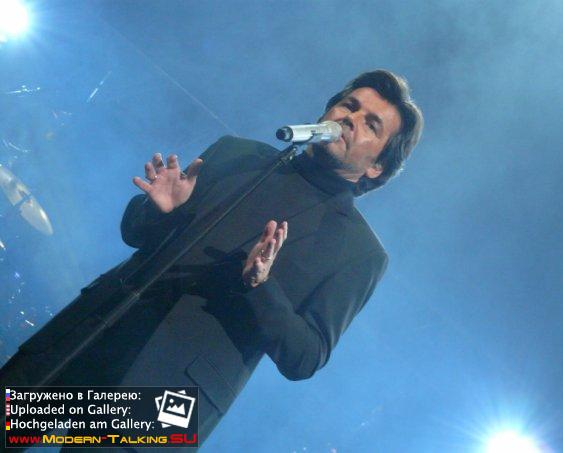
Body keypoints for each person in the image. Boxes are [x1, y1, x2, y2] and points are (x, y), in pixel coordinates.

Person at [0, 69, 423, 449]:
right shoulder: (237, 155)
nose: (350, 118)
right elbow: (135, 234)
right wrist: (163, 211)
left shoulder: (359, 250)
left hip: (166, 397)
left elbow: (305, 357)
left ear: (377, 167)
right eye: (349, 105)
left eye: (371, 124)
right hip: (93, 332)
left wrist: (260, 286)